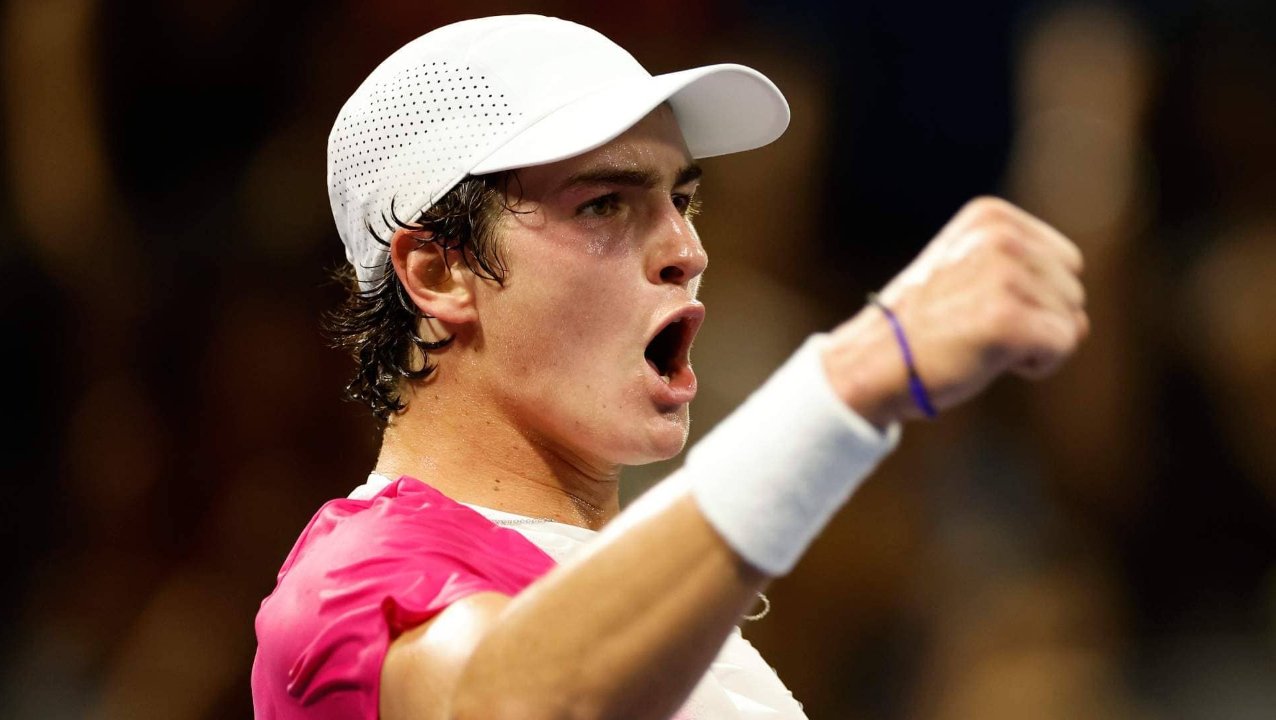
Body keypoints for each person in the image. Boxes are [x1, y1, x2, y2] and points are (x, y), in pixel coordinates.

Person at [250, 14, 1088, 720]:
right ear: (439, 272)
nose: (687, 250)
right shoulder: (354, 575)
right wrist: (852, 375)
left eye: (681, 200)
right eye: (604, 203)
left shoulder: (644, 605)